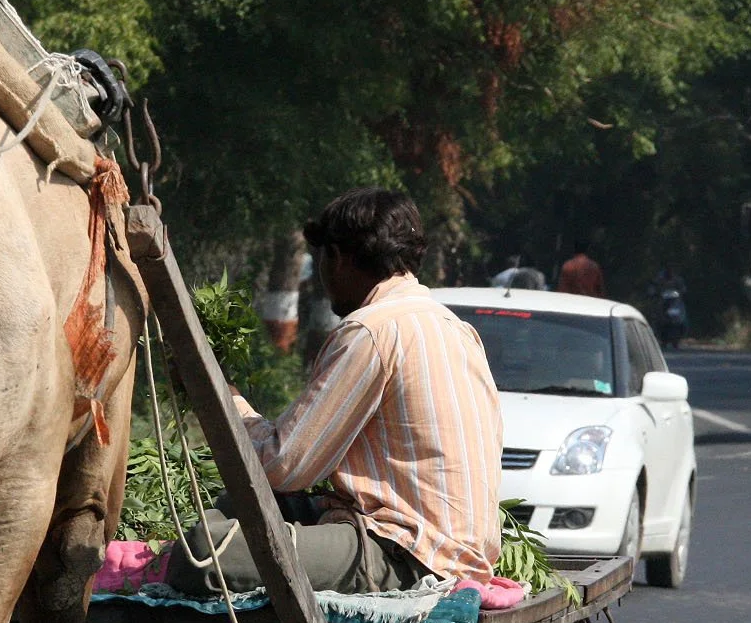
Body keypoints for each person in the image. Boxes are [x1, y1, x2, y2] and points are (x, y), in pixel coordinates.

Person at [169, 187, 503, 595]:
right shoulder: (453, 326)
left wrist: (219, 395)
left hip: (410, 556)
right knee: (237, 506)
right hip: (452, 548)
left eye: (322, 259)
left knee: (202, 551)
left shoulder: (371, 331)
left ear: (338, 258)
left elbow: (283, 464)